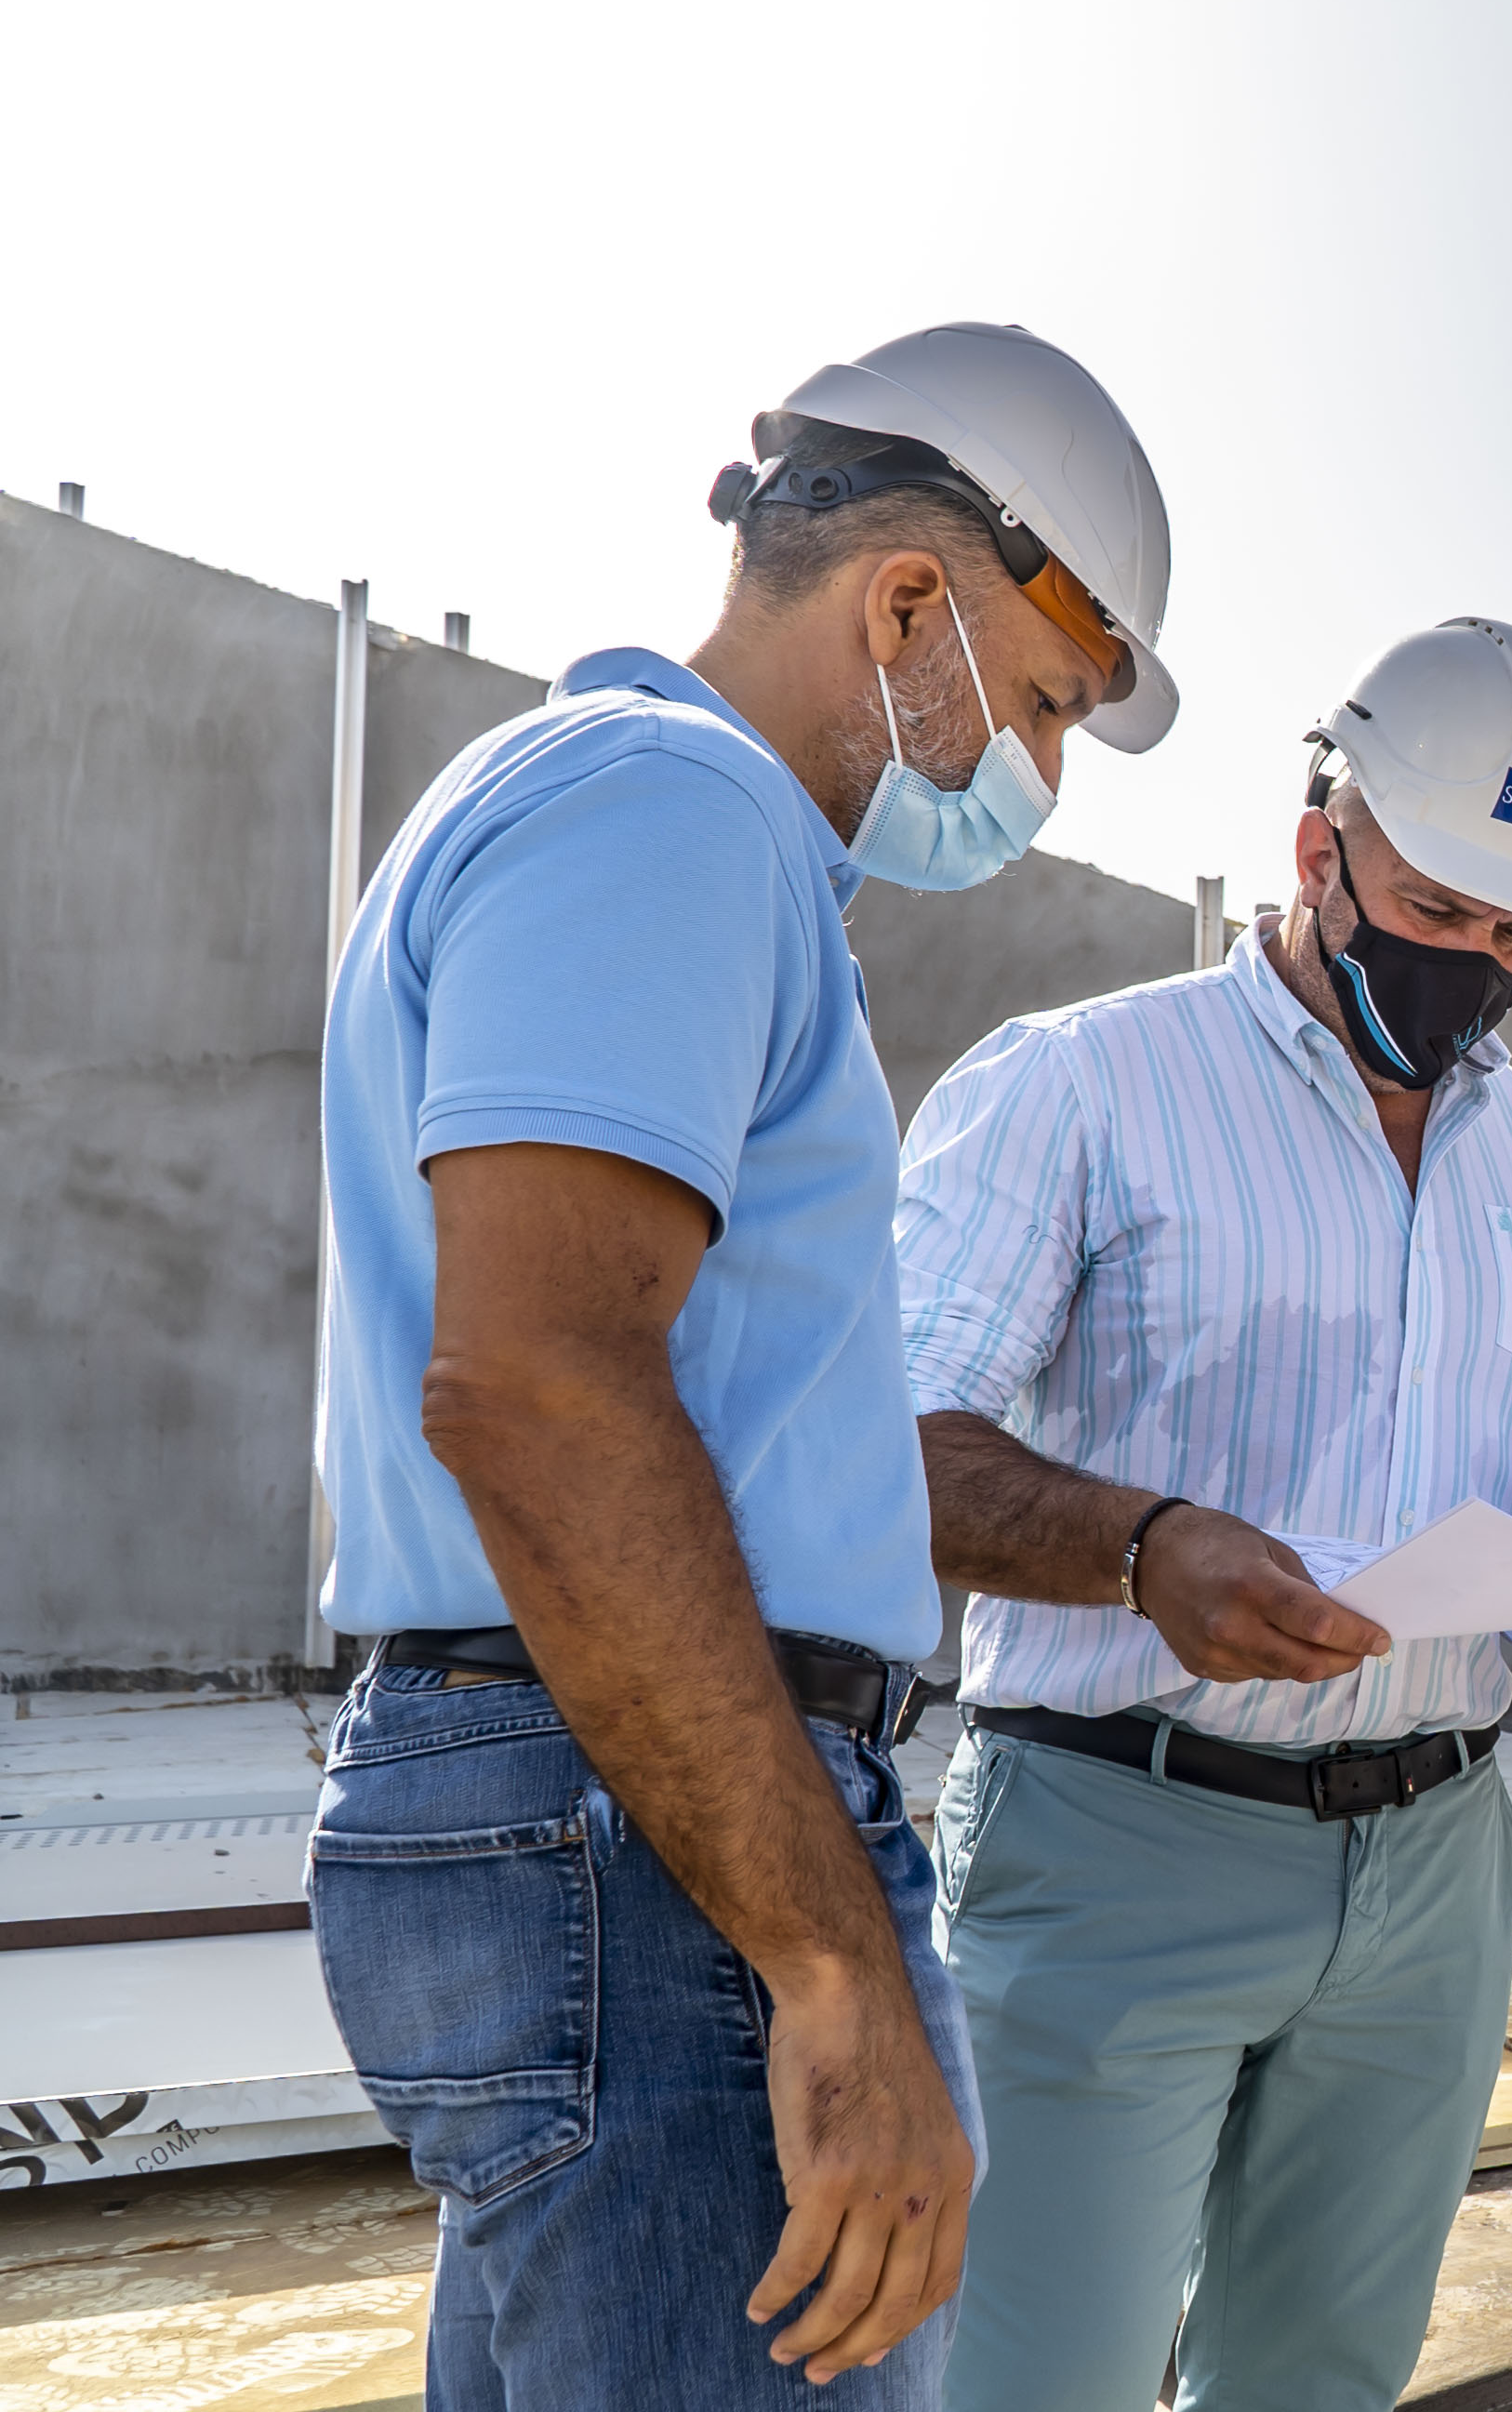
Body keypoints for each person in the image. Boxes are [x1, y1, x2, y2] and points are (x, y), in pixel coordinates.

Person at [307, 321, 1181, 2405]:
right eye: (1042, 704)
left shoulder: (629, 816)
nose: (1034, 782)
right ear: (906, 602)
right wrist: (824, 1955)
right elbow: (538, 1387)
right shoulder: (669, 813)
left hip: (613, 1821)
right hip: (656, 1842)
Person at [895, 616, 1512, 2412]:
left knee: (1320, 2382)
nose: (1479, 962)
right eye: (1445, 907)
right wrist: (1148, 1548)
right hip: (1114, 1841)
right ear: (1322, 848)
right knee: (1031, 2379)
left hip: (1435, 1867)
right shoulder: (1080, 1084)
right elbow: (890, 1440)